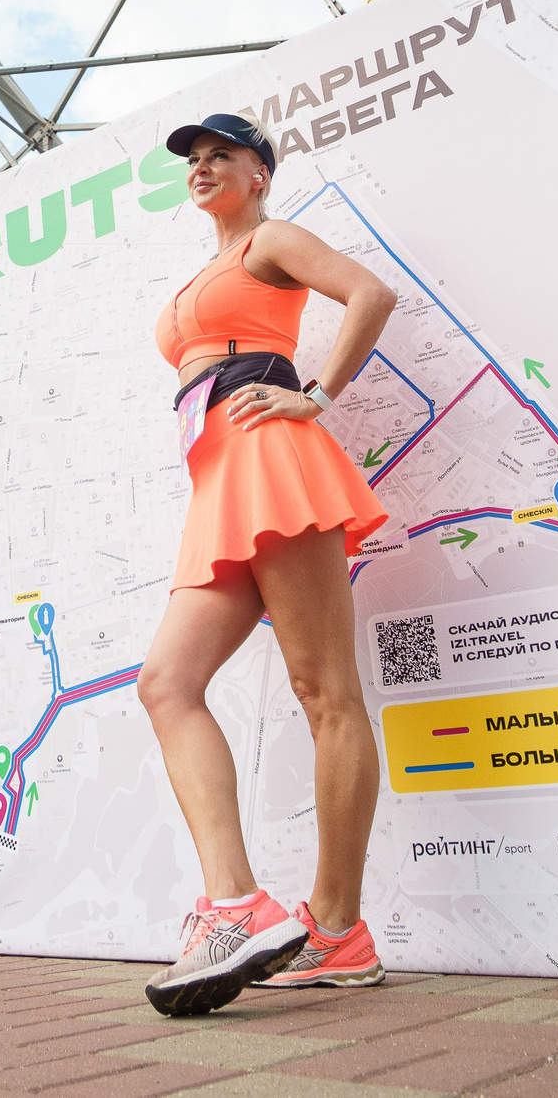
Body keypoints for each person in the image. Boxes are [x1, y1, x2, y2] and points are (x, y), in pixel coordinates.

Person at [135, 113, 397, 1014]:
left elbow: (370, 294)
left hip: (273, 460)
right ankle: (236, 905)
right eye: (195, 159)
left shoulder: (271, 239)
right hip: (217, 483)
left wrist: (315, 395)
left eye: (223, 155)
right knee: (167, 684)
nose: (203, 167)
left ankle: (339, 927)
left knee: (325, 691)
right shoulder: (200, 272)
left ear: (260, 174)